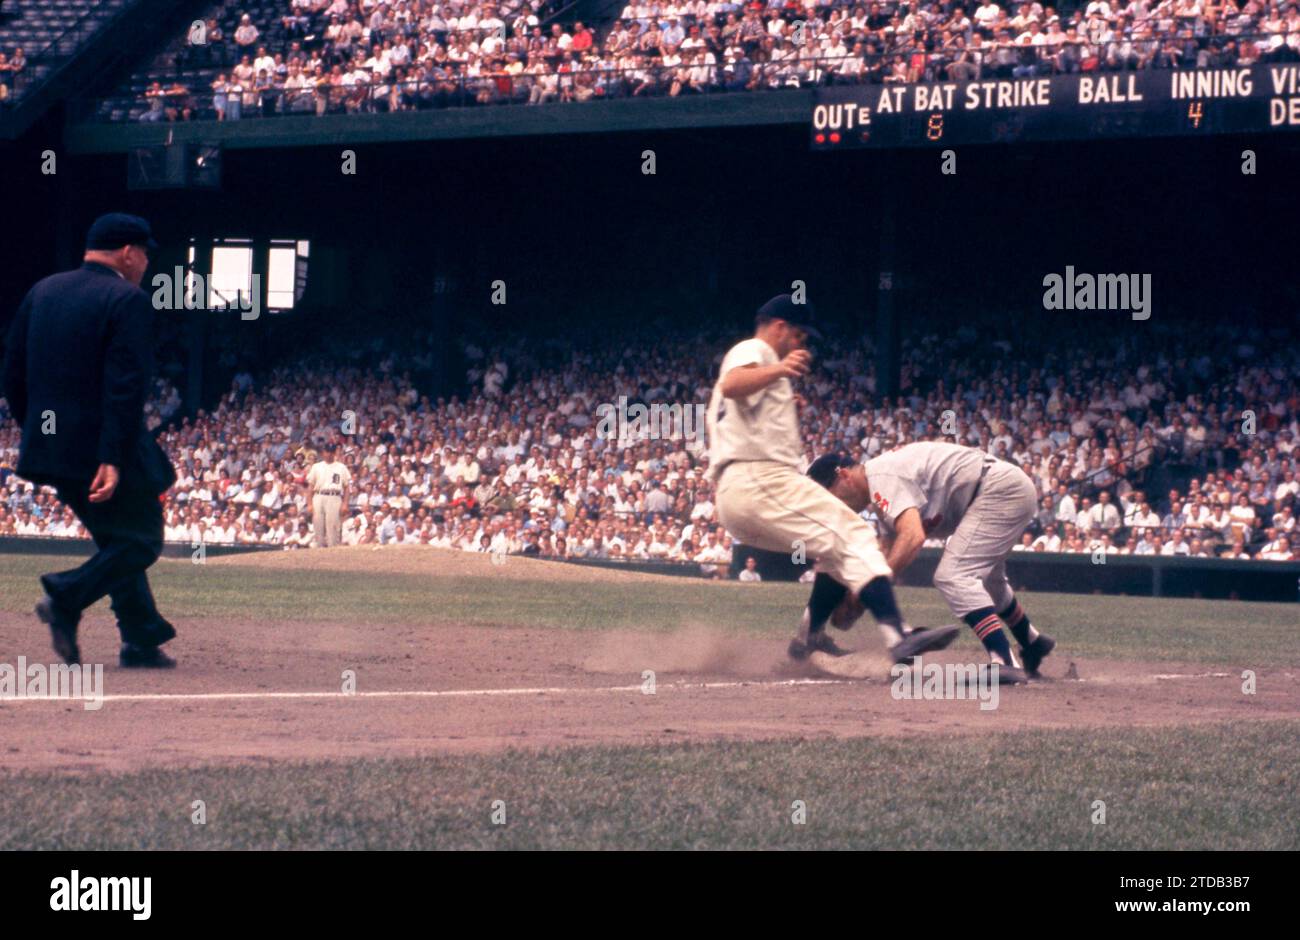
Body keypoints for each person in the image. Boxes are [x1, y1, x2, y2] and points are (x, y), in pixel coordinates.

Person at [706, 293, 957, 664]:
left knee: (837, 547)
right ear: (780, 327)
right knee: (856, 534)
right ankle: (898, 637)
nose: (801, 344)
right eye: (799, 336)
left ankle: (807, 639)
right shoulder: (756, 350)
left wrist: (780, 404)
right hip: (756, 480)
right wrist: (778, 371)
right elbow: (732, 383)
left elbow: (741, 402)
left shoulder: (765, 371)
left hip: (741, 493)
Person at [3, 213, 178, 668]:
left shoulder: (43, 291)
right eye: (144, 253)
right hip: (100, 447)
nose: (145, 263)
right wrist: (112, 456)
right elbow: (125, 386)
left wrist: (39, 433)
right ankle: (65, 596)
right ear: (127, 252)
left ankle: (140, 637)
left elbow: (12, 375)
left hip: (50, 449)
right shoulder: (127, 298)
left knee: (115, 536)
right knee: (141, 540)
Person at [808, 442, 1058, 682]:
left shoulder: (881, 478)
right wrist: (859, 597)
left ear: (843, 476)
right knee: (990, 582)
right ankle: (1032, 643)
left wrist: (863, 592)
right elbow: (886, 553)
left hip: (997, 490)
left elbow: (912, 537)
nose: (837, 507)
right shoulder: (879, 491)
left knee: (954, 575)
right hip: (996, 491)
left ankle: (1004, 661)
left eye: (832, 498)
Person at [306, 441, 351, 547]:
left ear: (334, 452)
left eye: (331, 452)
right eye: (327, 451)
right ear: (323, 453)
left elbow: (347, 487)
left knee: (333, 526)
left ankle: (333, 550)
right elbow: (310, 487)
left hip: (334, 496)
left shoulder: (341, 467)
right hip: (319, 495)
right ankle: (319, 549)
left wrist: (345, 504)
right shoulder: (316, 467)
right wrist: (309, 504)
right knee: (318, 525)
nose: (329, 454)